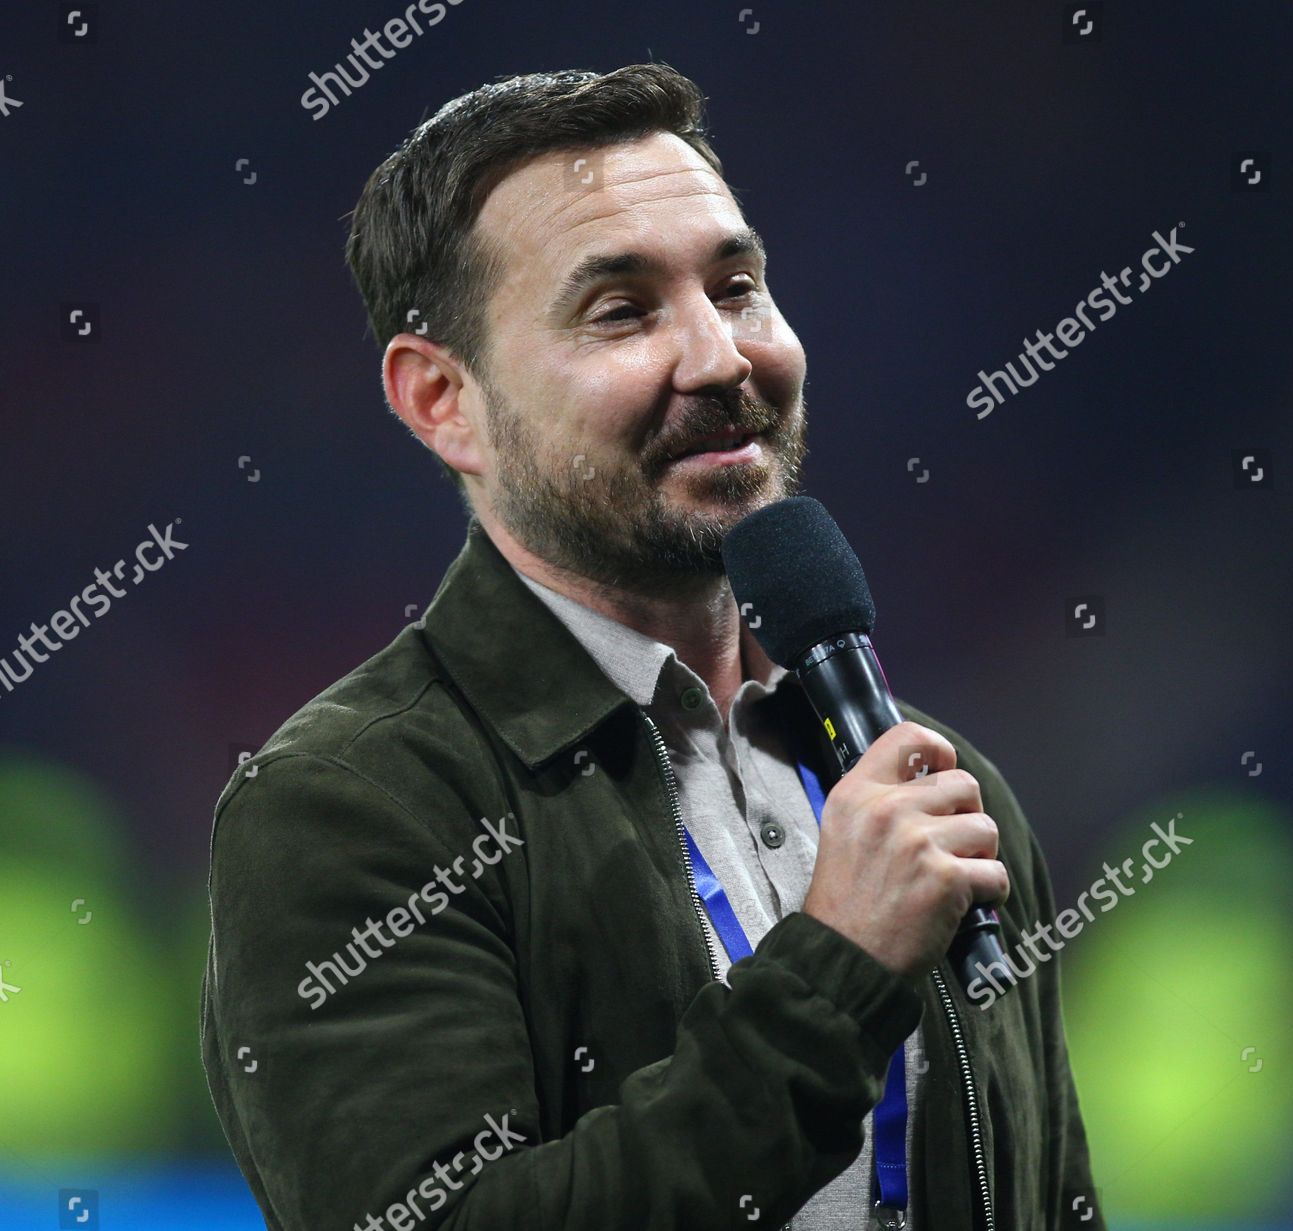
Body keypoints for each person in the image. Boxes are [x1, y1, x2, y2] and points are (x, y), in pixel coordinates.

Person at [200, 63, 1103, 1231]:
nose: (722, 358)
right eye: (623, 311)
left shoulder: (931, 787)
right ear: (442, 401)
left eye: (737, 288)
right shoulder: (351, 806)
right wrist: (835, 971)